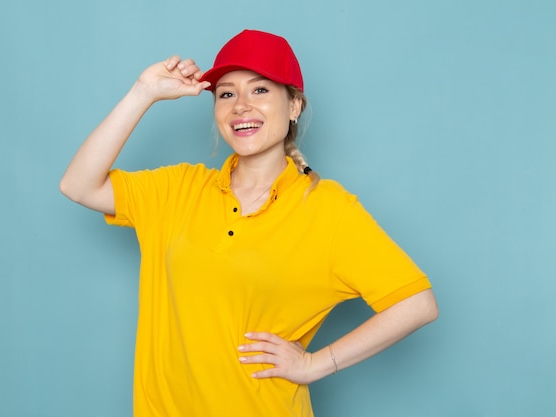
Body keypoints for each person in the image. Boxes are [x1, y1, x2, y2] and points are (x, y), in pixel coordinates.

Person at [60, 29, 438, 417]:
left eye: (260, 90)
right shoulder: (178, 189)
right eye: (226, 93)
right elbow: (78, 185)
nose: (241, 105)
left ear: (294, 106)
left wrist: (316, 364)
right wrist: (143, 91)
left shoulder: (327, 209)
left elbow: (417, 304)